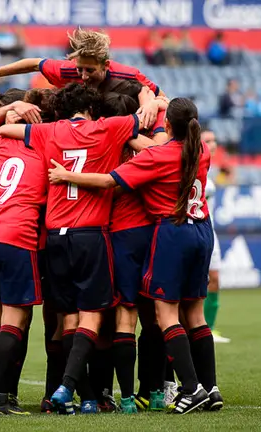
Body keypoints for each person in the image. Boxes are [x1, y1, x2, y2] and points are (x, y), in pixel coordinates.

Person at [47, 97, 223, 414]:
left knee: (165, 316)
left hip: (172, 231)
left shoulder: (159, 157)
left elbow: (106, 182)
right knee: (195, 316)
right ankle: (211, 389)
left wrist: (67, 176)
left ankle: (192, 388)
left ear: (168, 124)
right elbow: (156, 146)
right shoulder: (203, 151)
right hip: (203, 230)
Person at [0, 83, 155, 415]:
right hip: (90, 235)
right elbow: (143, 119)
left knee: (67, 317)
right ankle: (69, 387)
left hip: (55, 236)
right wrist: (147, 92)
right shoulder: (108, 127)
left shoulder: (46, 131)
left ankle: (80, 397)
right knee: (93, 315)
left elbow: (3, 128)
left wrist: (18, 111)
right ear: (92, 108)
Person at [0, 89, 53, 416]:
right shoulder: (44, 144)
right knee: (15, 320)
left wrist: (8, 114)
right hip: (17, 236)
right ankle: (1, 399)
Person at [96, 81, 169, 414]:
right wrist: (154, 101)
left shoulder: (100, 144)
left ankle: (125, 398)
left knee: (123, 318)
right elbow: (160, 148)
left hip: (120, 235)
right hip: (151, 233)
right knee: (155, 317)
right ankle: (153, 393)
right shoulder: (150, 148)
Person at [0, 28, 164, 128]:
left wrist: (152, 105)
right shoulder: (69, 70)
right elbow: (35, 63)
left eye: (90, 71)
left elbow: (166, 100)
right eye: (80, 70)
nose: (84, 76)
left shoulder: (128, 74)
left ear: (105, 66)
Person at [200, 130, 231, 344]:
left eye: (214, 140)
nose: (213, 144)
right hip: (195, 230)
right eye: (207, 140)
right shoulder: (192, 164)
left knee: (215, 279)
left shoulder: (210, 170)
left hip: (210, 230)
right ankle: (195, 329)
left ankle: (209, 329)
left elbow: (230, 177)